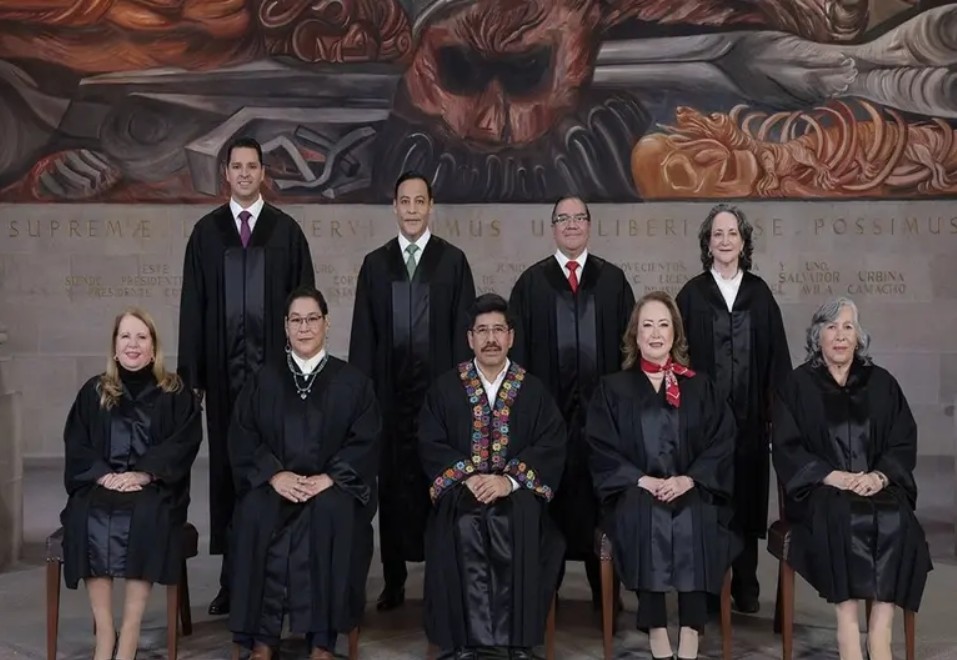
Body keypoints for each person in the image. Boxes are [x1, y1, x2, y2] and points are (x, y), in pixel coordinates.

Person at [177, 136, 315, 615]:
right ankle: (232, 579)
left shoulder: (286, 232)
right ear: (226, 174)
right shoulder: (206, 233)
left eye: (251, 166)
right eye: (235, 166)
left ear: (262, 173)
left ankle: (279, 576)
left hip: (276, 381)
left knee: (278, 469)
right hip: (222, 380)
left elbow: (305, 310)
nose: (243, 174)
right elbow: (192, 308)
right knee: (229, 476)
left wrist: (305, 371)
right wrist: (191, 376)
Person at [771, 297, 932, 660]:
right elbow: (786, 446)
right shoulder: (798, 385)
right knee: (844, 517)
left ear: (859, 336)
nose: (840, 336)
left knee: (896, 519)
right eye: (831, 327)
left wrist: (880, 476)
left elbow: (902, 439)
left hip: (876, 486)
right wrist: (832, 476)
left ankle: (880, 635)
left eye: (848, 327)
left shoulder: (881, 383)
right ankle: (847, 631)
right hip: (822, 491)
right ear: (817, 336)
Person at [227, 286, 381, 660]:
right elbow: (243, 436)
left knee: (333, 515)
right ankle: (262, 640)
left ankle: (323, 641)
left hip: (332, 485)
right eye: (296, 320)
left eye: (312, 319)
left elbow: (366, 440)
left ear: (327, 324)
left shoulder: (353, 382)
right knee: (255, 514)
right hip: (276, 482)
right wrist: (275, 476)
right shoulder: (264, 380)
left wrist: (331, 477)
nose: (304, 327)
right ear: (285, 326)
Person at [349, 170, 476, 610]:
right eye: (405, 201)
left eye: (419, 202)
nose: (412, 209)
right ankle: (395, 578)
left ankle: (443, 578)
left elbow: (466, 334)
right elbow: (363, 337)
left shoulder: (452, 262)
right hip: (389, 398)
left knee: (441, 484)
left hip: (438, 400)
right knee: (393, 488)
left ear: (431, 206)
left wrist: (462, 396)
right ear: (395, 207)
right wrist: (363, 399)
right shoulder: (374, 263)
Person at [587, 292, 738, 660]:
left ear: (676, 334)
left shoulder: (700, 387)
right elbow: (600, 446)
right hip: (636, 490)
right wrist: (642, 480)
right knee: (646, 513)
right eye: (647, 325)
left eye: (663, 325)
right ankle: (656, 630)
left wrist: (689, 479)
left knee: (695, 513)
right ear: (634, 336)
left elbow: (722, 441)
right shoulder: (613, 389)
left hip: (690, 486)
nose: (655, 334)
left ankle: (690, 630)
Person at [419, 293, 567, 659]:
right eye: (482, 330)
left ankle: (516, 642)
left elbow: (550, 442)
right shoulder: (445, 388)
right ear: (469, 338)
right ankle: (462, 643)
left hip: (516, 493)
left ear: (511, 337)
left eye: (498, 330)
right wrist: (467, 476)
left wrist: (509, 480)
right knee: (465, 522)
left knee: (516, 519)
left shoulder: (532, 390)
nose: (490, 339)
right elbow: (430, 439)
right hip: (461, 491)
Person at [509, 195, 635, 607]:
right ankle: (547, 588)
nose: (571, 225)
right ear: (553, 228)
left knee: (604, 497)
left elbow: (629, 354)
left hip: (603, 423)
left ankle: (607, 592)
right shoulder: (531, 284)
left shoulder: (613, 282)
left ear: (589, 224)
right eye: (563, 218)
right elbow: (519, 361)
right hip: (551, 424)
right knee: (551, 498)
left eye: (578, 217)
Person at [61, 308, 202, 660]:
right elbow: (77, 442)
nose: (133, 344)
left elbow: (182, 443)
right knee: (87, 513)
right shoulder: (94, 391)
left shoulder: (174, 392)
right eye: (125, 336)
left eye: (142, 337)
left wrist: (144, 474)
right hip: (101, 485)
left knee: (145, 515)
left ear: (154, 348)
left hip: (154, 488)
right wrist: (104, 475)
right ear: (114, 346)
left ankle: (131, 632)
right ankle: (106, 632)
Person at [675, 203, 791, 613]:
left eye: (732, 234)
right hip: (704, 426)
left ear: (744, 243)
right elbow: (677, 358)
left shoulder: (759, 295)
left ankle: (746, 582)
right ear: (707, 244)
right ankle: (706, 588)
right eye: (717, 234)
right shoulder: (691, 294)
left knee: (744, 500)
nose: (724, 241)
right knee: (706, 501)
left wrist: (778, 419)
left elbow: (778, 360)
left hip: (750, 424)